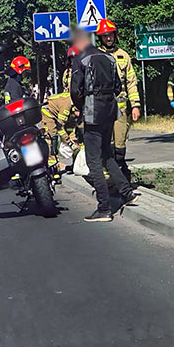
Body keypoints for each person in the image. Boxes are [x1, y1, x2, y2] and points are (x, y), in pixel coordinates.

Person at [70, 30, 139, 222]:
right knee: (107, 155)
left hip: (93, 113)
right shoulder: (109, 58)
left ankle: (104, 208)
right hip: (111, 111)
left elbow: (75, 89)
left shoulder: (81, 58)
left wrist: (81, 106)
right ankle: (127, 192)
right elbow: (118, 86)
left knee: (94, 162)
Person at [96, 18, 141, 181]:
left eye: (111, 35)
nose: (108, 38)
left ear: (115, 36)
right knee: (106, 142)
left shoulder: (123, 56)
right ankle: (108, 175)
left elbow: (131, 83)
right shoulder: (95, 56)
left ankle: (121, 169)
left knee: (120, 143)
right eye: (105, 36)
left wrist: (135, 105)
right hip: (102, 107)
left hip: (120, 107)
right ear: (100, 38)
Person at [41, 47, 81, 170]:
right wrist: (67, 141)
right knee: (52, 138)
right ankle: (52, 167)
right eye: (71, 59)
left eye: (76, 58)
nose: (73, 61)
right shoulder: (67, 73)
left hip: (73, 107)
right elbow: (59, 126)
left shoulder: (83, 71)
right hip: (63, 109)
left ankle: (77, 164)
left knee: (77, 137)